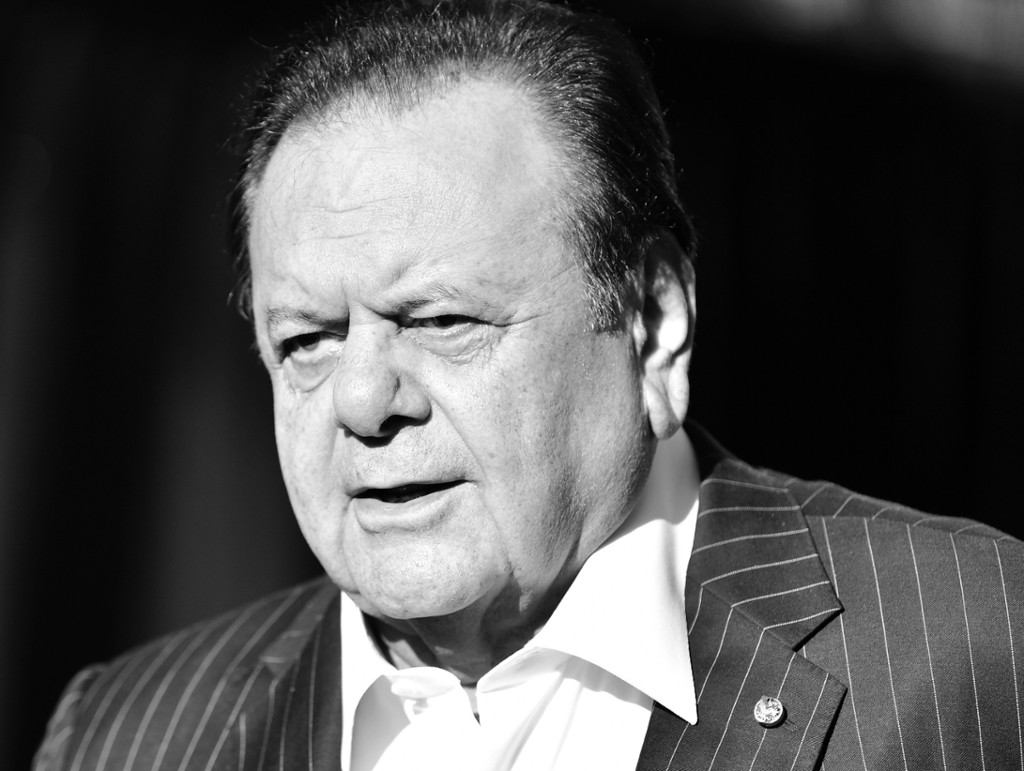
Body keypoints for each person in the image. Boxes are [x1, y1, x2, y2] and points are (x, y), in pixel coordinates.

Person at [34, 1, 1024, 769]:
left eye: (442, 322)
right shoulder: (125, 734)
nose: (364, 400)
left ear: (654, 323)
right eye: (308, 340)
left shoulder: (974, 647)